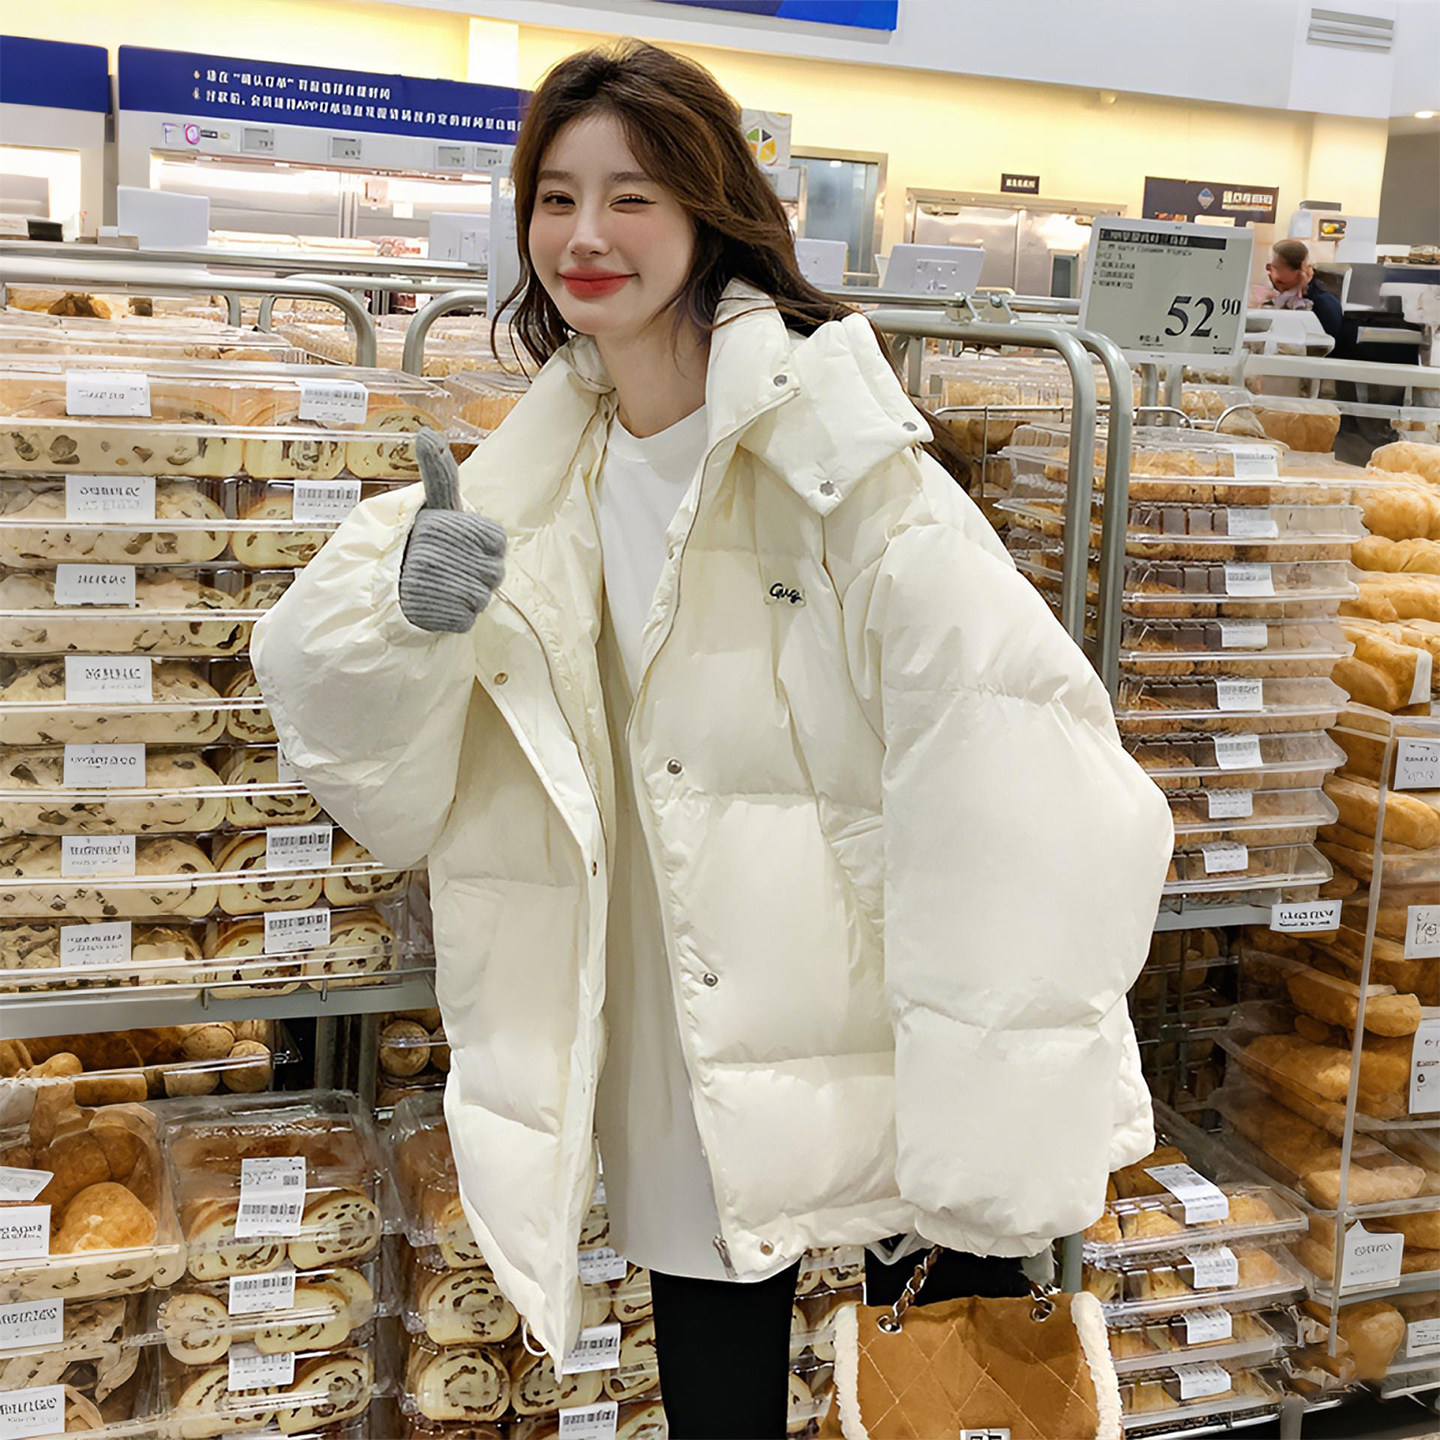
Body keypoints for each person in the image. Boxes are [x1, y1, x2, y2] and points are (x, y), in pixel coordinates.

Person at [252, 40, 1172, 1440]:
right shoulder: (534, 476)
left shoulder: (842, 464)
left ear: (709, 211)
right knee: (714, 1394)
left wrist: (995, 1117)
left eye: (631, 196)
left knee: (934, 1387)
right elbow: (363, 761)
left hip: (878, 1025)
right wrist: (404, 618)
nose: (586, 235)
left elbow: (1016, 762)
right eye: (555, 198)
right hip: (674, 1025)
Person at [1259, 237, 1349, 353]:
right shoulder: (1275, 299)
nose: (1270, 273)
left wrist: (1294, 291)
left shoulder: (1323, 304)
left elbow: (1315, 350)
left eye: (1275, 268)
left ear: (1300, 269)